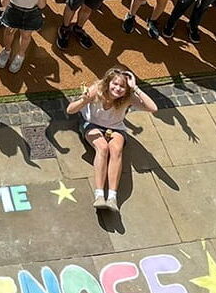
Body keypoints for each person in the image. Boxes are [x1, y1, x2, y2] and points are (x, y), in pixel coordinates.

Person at [66, 68, 158, 213]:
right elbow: (70, 110)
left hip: (116, 128)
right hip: (91, 124)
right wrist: (84, 99)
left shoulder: (128, 97)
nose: (118, 89)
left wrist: (135, 88)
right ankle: (99, 195)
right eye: (115, 84)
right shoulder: (96, 90)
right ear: (108, 82)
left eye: (123, 87)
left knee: (116, 151)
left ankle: (112, 198)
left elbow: (153, 108)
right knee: (102, 148)